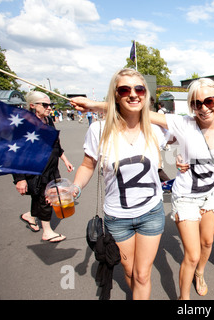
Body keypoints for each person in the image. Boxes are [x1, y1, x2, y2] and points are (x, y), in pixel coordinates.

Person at [71, 68, 167, 300]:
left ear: (146, 95)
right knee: (130, 271)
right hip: (117, 218)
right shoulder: (99, 130)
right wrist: (75, 188)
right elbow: (87, 166)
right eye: (124, 89)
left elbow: (191, 124)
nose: (133, 94)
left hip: (151, 213)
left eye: (139, 89)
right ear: (115, 94)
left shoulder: (157, 130)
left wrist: (95, 104)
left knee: (143, 275)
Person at [150, 78, 214, 300]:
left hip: (209, 195)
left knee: (207, 243)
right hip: (186, 196)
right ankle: (183, 299)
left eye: (209, 101)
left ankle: (200, 273)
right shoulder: (184, 123)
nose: (203, 108)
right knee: (192, 254)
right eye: (197, 103)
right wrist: (98, 105)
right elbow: (142, 113)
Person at [14, 91, 74, 242]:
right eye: (45, 105)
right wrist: (20, 179)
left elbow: (56, 144)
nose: (49, 108)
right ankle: (47, 231)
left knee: (40, 197)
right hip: (36, 170)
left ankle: (30, 215)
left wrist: (65, 159)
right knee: (47, 197)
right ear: (32, 105)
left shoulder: (48, 120)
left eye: (50, 105)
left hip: (51, 168)